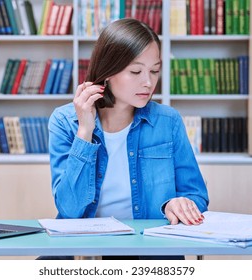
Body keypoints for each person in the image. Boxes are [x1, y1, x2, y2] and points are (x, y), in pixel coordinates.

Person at [45, 18, 209, 260]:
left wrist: (177, 204)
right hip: (85, 251)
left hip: (150, 251)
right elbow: (69, 210)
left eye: (154, 70)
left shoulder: (168, 121)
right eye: (135, 71)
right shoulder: (64, 121)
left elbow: (196, 195)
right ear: (108, 72)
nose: (148, 82)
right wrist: (84, 132)